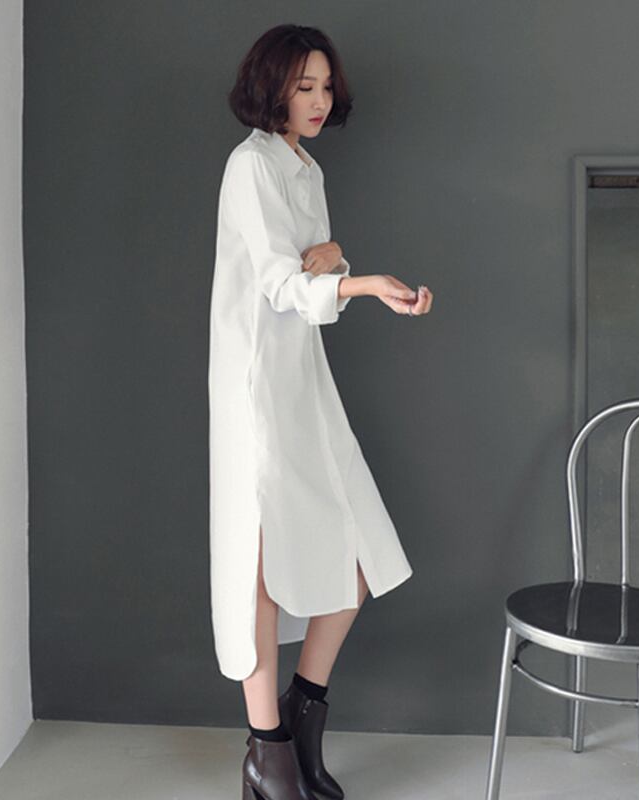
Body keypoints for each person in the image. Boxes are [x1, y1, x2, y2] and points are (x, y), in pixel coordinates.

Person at [208, 23, 433, 800]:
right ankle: (268, 752)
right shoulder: (251, 166)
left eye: (325, 85)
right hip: (256, 388)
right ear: (270, 85)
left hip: (304, 380)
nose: (318, 99)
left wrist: (336, 260)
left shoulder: (304, 167)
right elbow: (282, 284)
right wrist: (358, 279)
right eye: (303, 85)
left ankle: (302, 720)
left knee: (357, 553)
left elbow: (313, 269)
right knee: (261, 567)